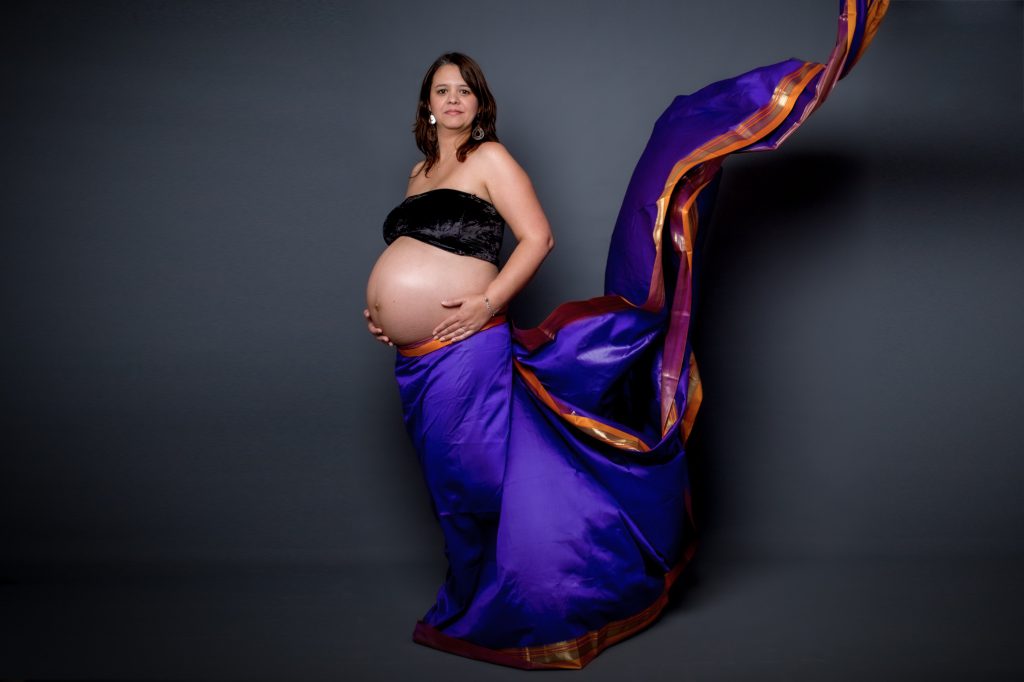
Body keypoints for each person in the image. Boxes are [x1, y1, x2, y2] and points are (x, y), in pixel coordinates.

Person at [363, 1, 888, 669]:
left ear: (479, 104)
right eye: (445, 89)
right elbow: (414, 250)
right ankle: (474, 598)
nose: (456, 97)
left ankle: (555, 590)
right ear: (428, 107)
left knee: (490, 474)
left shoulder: (488, 158)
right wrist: (382, 310)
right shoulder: (417, 176)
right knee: (450, 482)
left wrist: (487, 302)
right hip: (415, 360)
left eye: (466, 88)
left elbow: (538, 237)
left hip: (467, 344)